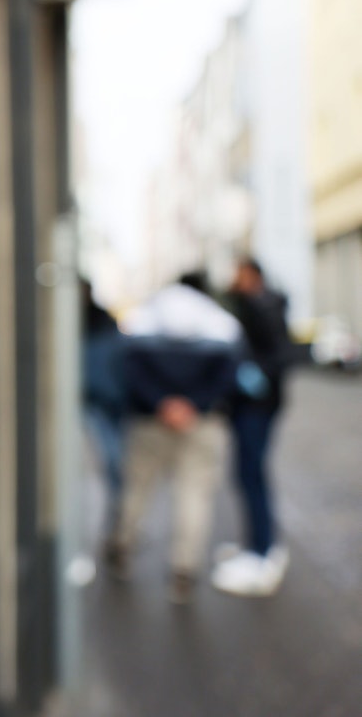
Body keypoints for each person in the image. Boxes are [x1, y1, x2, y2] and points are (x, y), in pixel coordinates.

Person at [107, 272, 242, 604]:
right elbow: (229, 374)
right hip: (201, 423)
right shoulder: (218, 321)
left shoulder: (145, 316)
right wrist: (194, 404)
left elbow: (128, 369)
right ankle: (184, 570)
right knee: (194, 496)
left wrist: (161, 404)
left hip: (150, 421)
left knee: (138, 488)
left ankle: (122, 549)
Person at [212, 258, 293, 596]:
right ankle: (258, 545)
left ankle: (262, 553)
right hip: (252, 405)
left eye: (241, 274)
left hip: (257, 406)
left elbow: (279, 355)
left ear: (255, 276)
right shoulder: (252, 303)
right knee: (247, 474)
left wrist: (251, 374)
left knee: (251, 473)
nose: (236, 279)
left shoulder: (263, 306)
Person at [82, 281, 128, 535]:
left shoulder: (104, 324)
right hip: (90, 399)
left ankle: (117, 519)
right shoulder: (89, 324)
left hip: (107, 400)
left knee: (112, 461)